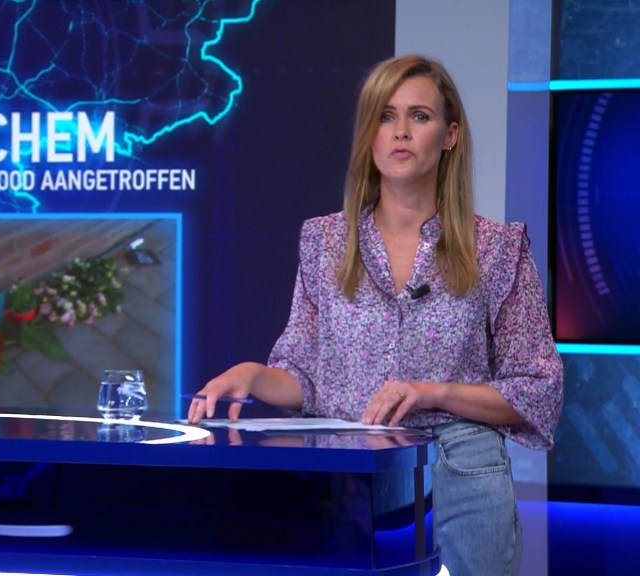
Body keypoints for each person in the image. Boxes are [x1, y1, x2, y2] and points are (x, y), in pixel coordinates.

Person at [187, 55, 563, 576]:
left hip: (459, 473)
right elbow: (304, 378)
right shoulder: (324, 241)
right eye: (386, 116)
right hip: (349, 477)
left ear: (450, 135)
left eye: (419, 116)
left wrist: (433, 392)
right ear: (369, 135)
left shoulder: (496, 249)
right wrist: (250, 375)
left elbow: (538, 387)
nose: (401, 131)